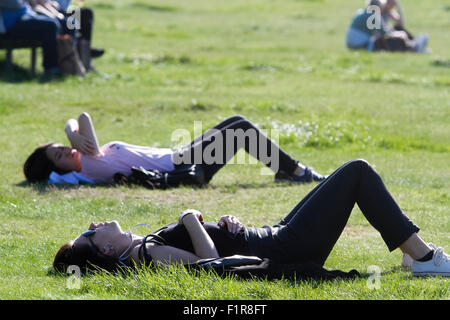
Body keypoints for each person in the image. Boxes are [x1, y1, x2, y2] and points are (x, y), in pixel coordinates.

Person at [53, 159, 449, 277]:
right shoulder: (149, 255)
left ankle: (415, 254)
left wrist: (223, 223)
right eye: (90, 233)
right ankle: (425, 259)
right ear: (104, 250)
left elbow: (216, 246)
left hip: (270, 234)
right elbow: (209, 266)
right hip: (283, 244)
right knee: (357, 172)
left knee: (345, 177)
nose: (95, 223)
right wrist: (191, 220)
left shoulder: (145, 245)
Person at [23, 112, 326, 185]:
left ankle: (285, 170)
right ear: (58, 169)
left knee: (237, 124)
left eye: (61, 147)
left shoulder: (87, 154)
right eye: (59, 155)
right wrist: (73, 132)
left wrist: (68, 132)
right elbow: (84, 118)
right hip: (182, 166)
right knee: (241, 128)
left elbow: (78, 122)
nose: (66, 150)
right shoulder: (88, 162)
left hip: (181, 156)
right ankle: (297, 171)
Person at [0, 0, 61, 73]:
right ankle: (51, 68)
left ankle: (66, 64)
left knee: (56, 22)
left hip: (25, 16)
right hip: (11, 24)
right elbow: (15, 4)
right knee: (51, 26)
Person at [345, 0, 428, 53]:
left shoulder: (362, 12)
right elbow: (385, 34)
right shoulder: (373, 16)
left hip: (353, 45)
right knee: (388, 40)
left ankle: (414, 46)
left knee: (389, 37)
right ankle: (414, 47)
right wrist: (400, 34)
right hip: (362, 46)